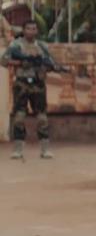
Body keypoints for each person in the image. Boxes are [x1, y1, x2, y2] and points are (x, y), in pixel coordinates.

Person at [3, 20, 64, 160]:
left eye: (34, 29)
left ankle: (45, 149)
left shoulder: (42, 46)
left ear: (37, 31)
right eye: (28, 28)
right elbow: (4, 60)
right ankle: (18, 150)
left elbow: (50, 63)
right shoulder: (16, 45)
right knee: (19, 117)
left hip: (38, 84)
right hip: (22, 83)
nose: (31, 31)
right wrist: (21, 63)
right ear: (24, 30)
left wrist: (47, 67)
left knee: (42, 117)